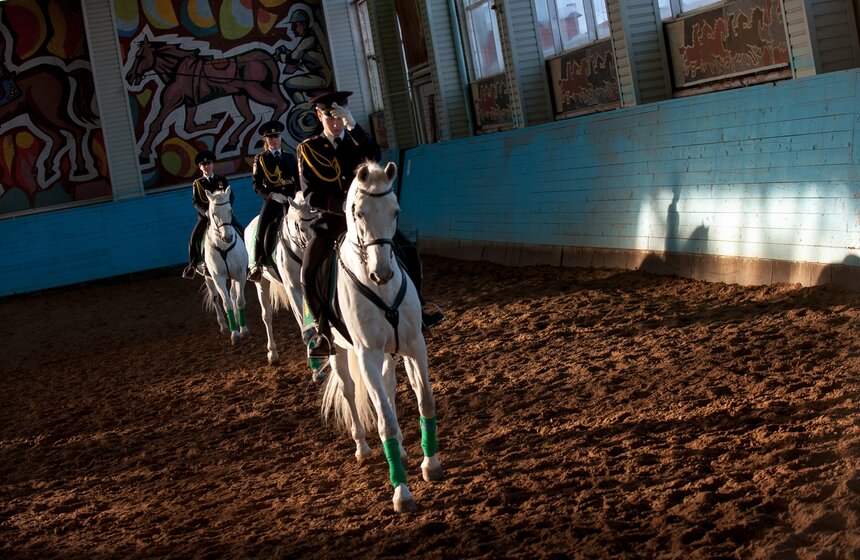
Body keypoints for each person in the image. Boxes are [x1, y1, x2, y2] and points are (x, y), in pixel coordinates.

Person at [297, 90, 444, 359]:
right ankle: (322, 331)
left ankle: (420, 308)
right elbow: (310, 195)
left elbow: (374, 156)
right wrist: (339, 205)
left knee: (408, 250)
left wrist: (354, 125)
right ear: (319, 116)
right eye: (330, 116)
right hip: (331, 221)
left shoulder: (356, 140)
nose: (336, 121)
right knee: (308, 271)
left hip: (369, 222)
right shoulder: (308, 149)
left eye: (340, 115)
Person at [247, 120, 300, 282]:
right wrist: (270, 195)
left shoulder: (290, 157)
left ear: (280, 138)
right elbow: (256, 185)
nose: (274, 140)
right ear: (266, 140)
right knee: (262, 227)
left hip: (291, 198)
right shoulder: (260, 159)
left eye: (276, 136)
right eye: (270, 137)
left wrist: (298, 196)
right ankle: (257, 263)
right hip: (273, 198)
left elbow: (298, 180)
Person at [182, 150, 242, 279]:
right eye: (204, 165)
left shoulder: (221, 179)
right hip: (206, 217)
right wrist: (205, 212)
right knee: (193, 238)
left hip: (224, 217)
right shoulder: (197, 183)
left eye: (208, 164)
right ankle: (192, 265)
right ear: (200, 167)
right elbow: (196, 202)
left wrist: (226, 208)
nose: (207, 167)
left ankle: (247, 260)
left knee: (241, 229)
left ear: (212, 164)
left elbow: (230, 196)